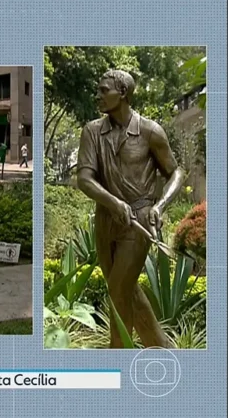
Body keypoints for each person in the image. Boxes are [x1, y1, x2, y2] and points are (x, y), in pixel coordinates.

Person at [76, 69, 186, 348]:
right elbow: (84, 178)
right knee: (125, 289)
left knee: (117, 289)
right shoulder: (92, 132)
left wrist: (159, 207)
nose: (98, 95)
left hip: (138, 220)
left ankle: (119, 355)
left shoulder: (150, 131)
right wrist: (112, 203)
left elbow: (176, 173)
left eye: (104, 90)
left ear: (122, 93)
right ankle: (162, 348)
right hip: (106, 218)